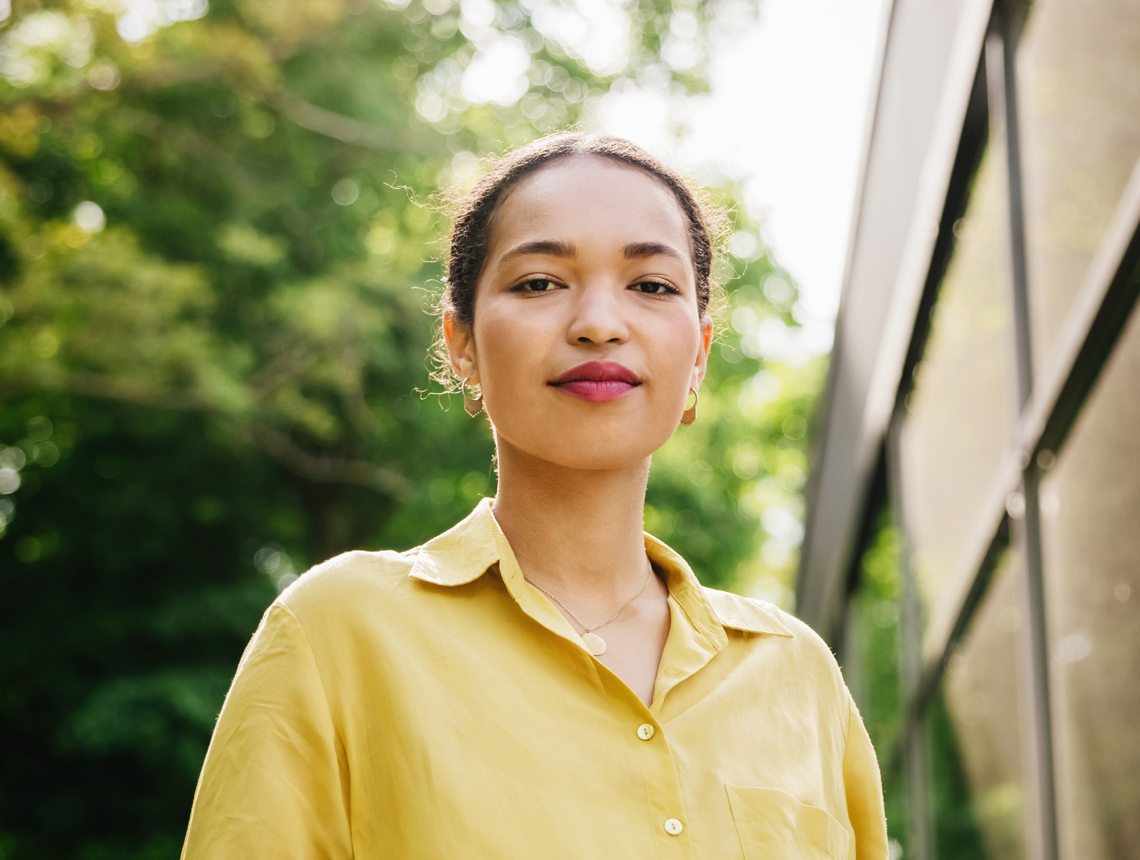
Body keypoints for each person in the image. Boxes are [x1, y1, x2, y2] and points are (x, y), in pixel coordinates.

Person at [180, 132, 888, 859]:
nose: (599, 324)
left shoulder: (797, 675)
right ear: (462, 344)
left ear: (700, 353)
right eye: (539, 283)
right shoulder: (340, 631)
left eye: (650, 285)